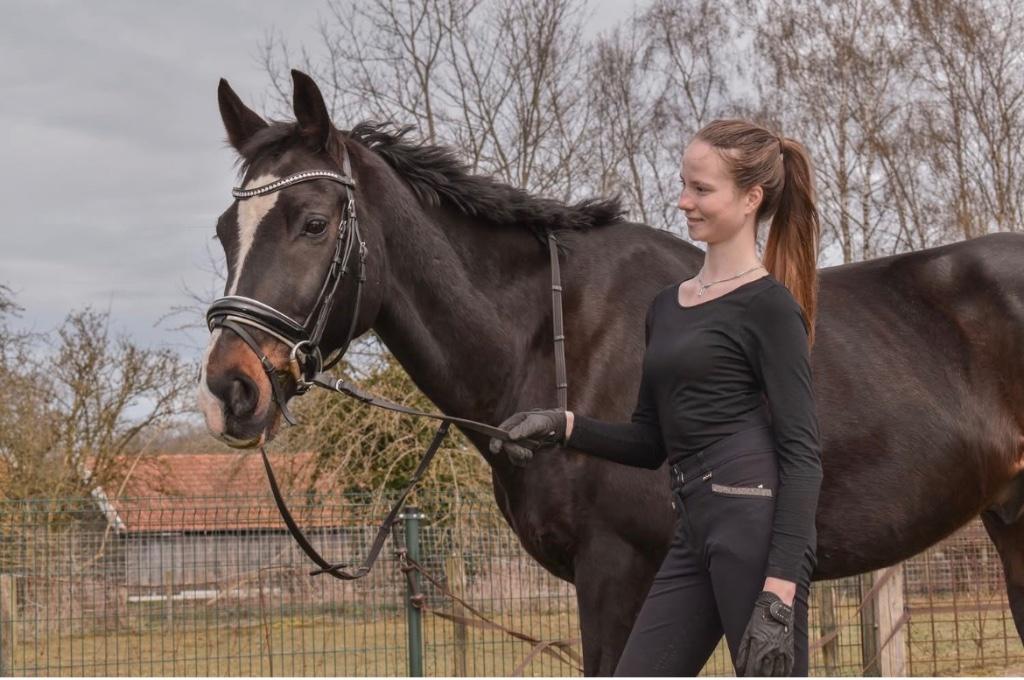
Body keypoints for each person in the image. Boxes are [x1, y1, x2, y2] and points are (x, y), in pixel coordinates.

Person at [489, 119, 823, 676]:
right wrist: (564, 425)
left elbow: (803, 456)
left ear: (751, 199)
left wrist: (781, 588)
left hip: (753, 529)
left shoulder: (770, 308)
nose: (683, 200)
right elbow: (649, 441)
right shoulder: (667, 306)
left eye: (701, 189)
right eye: (684, 184)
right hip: (691, 528)